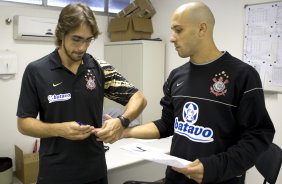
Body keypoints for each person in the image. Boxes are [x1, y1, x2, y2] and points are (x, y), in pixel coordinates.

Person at [97, 2, 276, 184]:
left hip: (218, 178)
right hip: (176, 178)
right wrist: (124, 132)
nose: (172, 38)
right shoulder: (177, 76)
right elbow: (167, 124)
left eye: (178, 30)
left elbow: (258, 136)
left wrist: (214, 167)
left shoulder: (243, 75)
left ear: (202, 29)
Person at [16, 3, 146, 184]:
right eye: (76, 39)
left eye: (88, 40)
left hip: (95, 171)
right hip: (55, 173)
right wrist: (60, 130)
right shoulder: (37, 71)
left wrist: (121, 122)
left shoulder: (100, 68)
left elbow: (138, 98)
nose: (82, 48)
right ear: (61, 34)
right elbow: (24, 123)